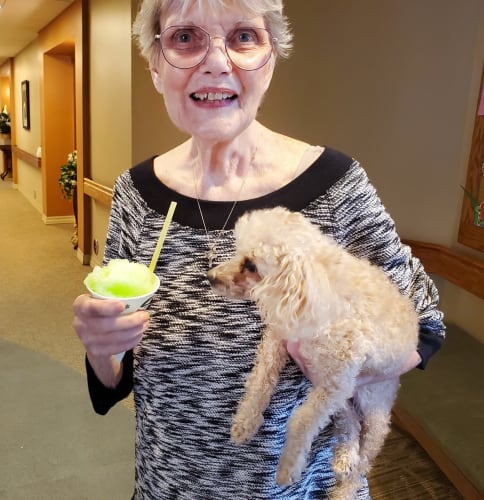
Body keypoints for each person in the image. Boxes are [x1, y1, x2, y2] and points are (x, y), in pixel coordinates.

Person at [73, 0, 445, 498]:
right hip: (167, 487)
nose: (218, 61)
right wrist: (100, 350)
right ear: (156, 67)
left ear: (270, 60)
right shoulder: (136, 195)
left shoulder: (334, 187)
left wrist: (350, 366)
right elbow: (117, 379)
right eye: (185, 38)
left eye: (244, 37)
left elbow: (424, 324)